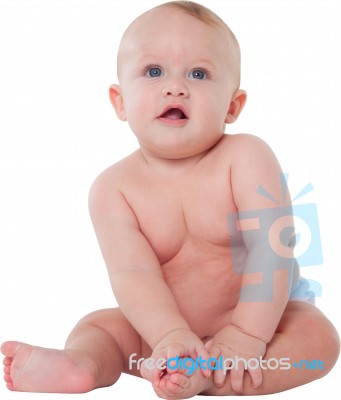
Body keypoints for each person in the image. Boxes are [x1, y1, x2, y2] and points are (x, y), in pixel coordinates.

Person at [1, 1, 339, 398]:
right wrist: (170, 335)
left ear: (232, 106)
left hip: (260, 328)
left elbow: (273, 249)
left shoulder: (246, 157)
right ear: (120, 101)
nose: (175, 86)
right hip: (157, 336)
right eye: (153, 71)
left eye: (198, 73)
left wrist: (247, 333)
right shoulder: (114, 188)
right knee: (99, 327)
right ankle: (85, 365)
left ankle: (208, 378)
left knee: (318, 339)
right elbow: (133, 275)